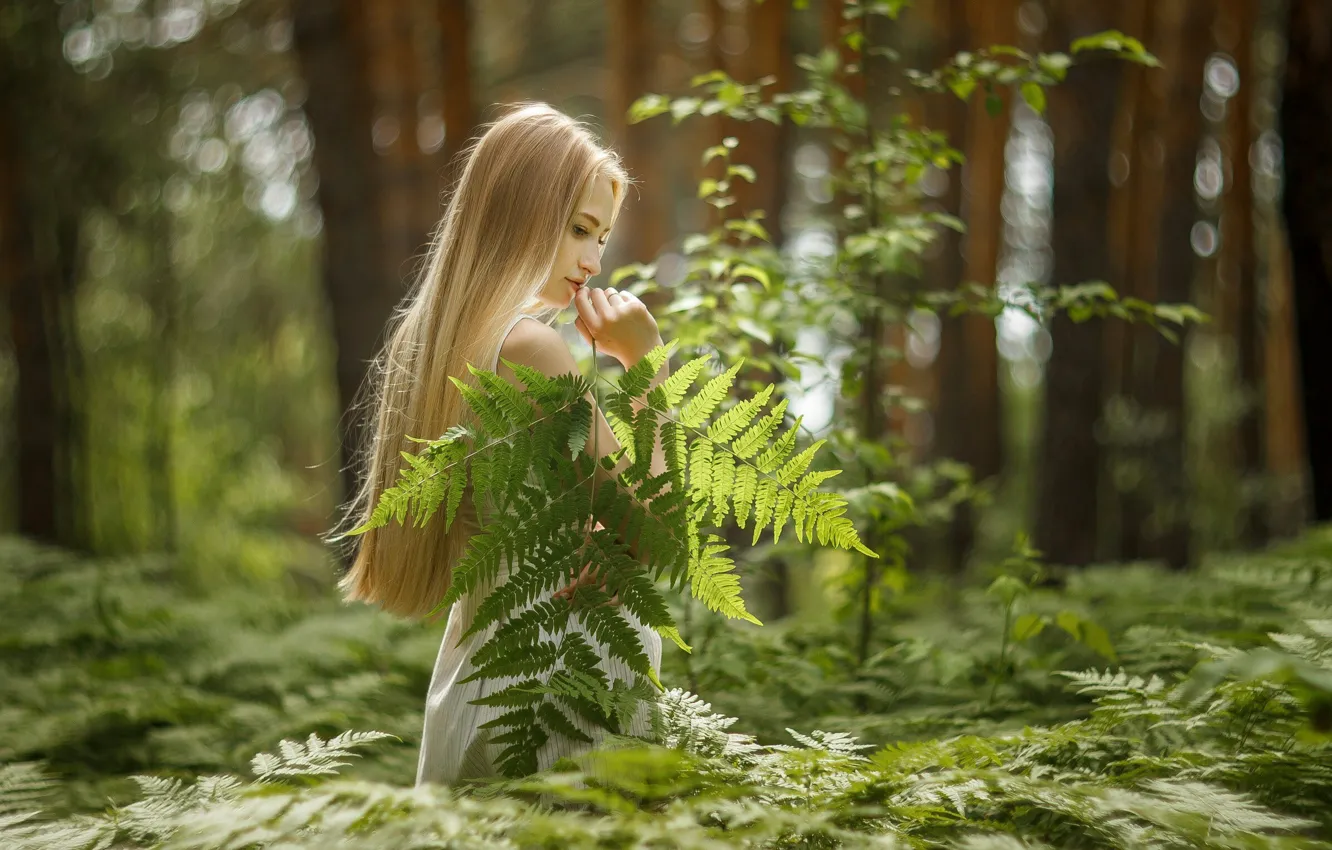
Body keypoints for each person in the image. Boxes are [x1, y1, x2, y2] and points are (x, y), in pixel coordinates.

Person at [327, 102, 669, 784]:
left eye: (602, 238)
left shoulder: (444, 341)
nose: (594, 262)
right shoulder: (532, 348)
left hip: (481, 677)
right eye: (580, 230)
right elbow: (653, 529)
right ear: (522, 211)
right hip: (558, 693)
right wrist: (645, 362)